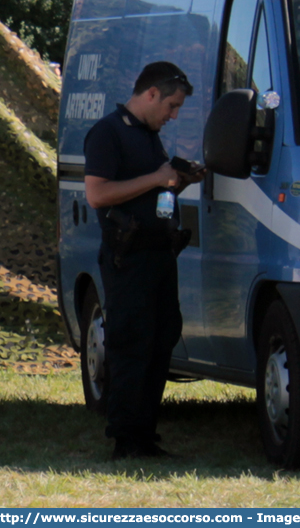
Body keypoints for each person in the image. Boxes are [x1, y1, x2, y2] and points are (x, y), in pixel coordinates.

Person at [83, 61, 206, 460]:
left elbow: (154, 187)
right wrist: (156, 178)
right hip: (127, 257)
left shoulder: (149, 135)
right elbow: (98, 195)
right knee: (132, 343)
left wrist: (179, 177)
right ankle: (125, 437)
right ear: (150, 94)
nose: (172, 116)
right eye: (171, 106)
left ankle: (145, 432)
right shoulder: (108, 132)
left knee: (161, 339)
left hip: (158, 252)